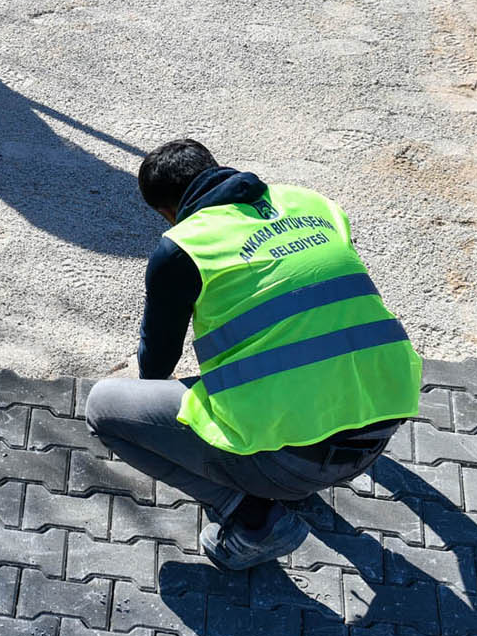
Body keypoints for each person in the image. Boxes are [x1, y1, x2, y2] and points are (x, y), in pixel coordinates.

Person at [84, 138, 424, 570]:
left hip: (295, 463)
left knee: (105, 408)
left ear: (166, 212)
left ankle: (253, 521)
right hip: (381, 429)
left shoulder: (184, 247)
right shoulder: (312, 204)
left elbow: (156, 366)